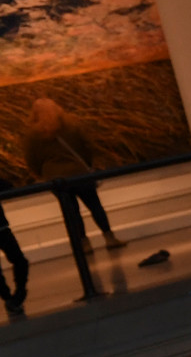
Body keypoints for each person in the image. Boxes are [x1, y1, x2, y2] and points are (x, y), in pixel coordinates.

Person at [21, 97, 126, 252]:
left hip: (56, 179)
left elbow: (31, 159)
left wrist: (42, 173)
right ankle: (109, 237)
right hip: (79, 173)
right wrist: (87, 165)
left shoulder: (32, 135)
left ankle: (84, 244)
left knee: (72, 213)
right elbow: (86, 146)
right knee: (95, 206)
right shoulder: (71, 125)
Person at [0, 182, 25, 316]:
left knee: (20, 261)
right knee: (20, 260)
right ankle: (15, 297)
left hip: (2, 228)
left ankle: (10, 298)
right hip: (2, 227)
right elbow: (8, 186)